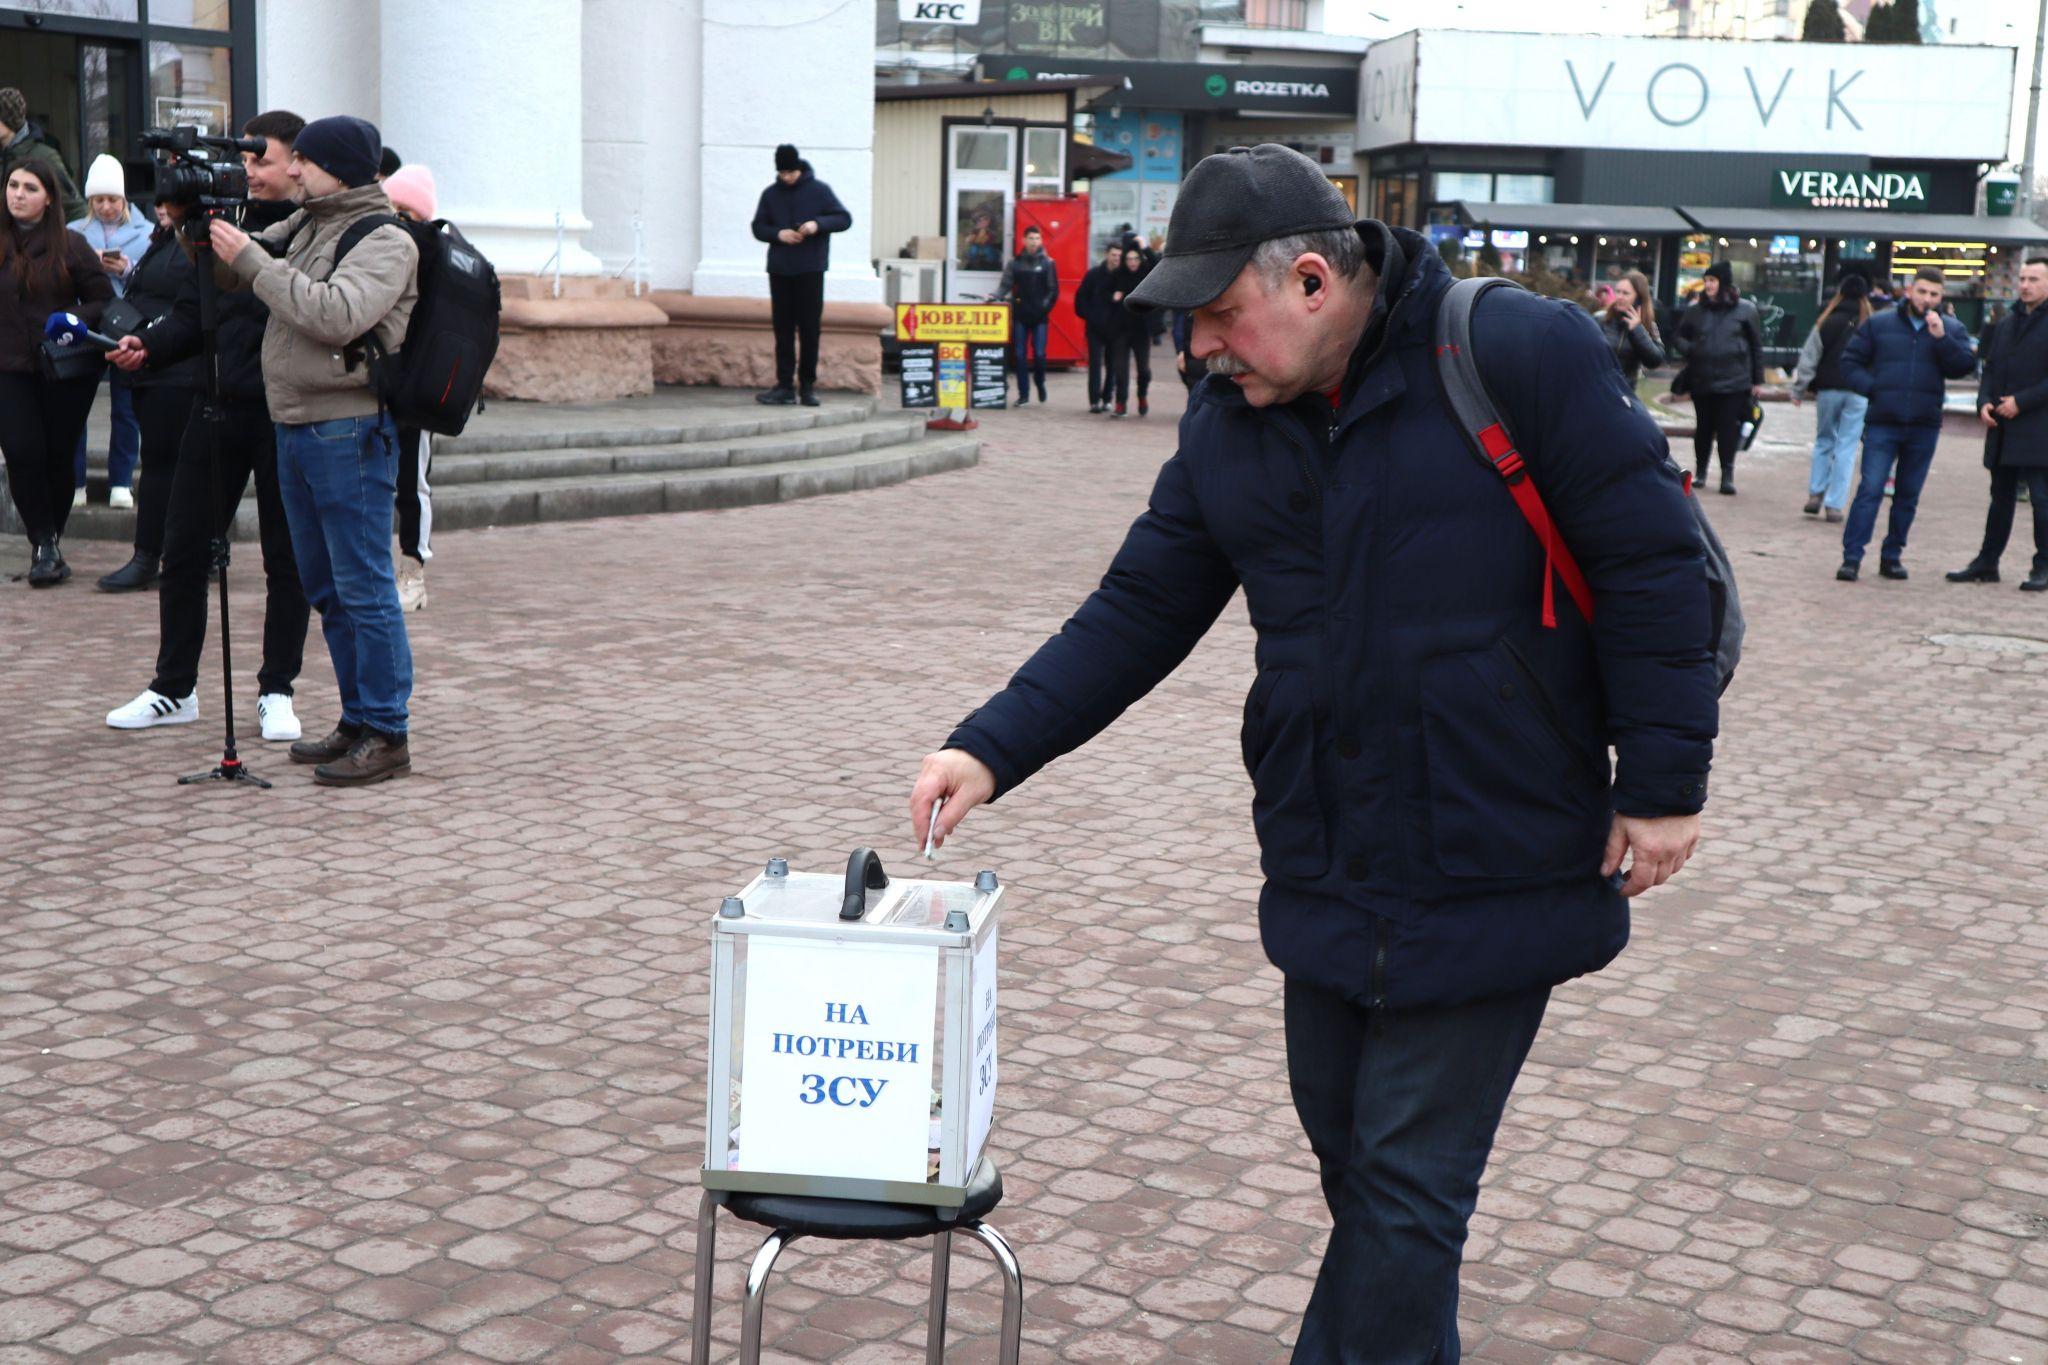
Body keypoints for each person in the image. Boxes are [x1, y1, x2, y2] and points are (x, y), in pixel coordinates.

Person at [906, 144, 1716, 1364]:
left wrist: (1659, 789)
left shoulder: (1515, 354)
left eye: (1220, 317)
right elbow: (1136, 609)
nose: (1199, 351)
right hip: (1326, 850)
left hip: (1498, 845)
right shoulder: (1231, 426)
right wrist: (990, 747)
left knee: (1403, 1190)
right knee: (1363, 1177)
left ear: (1309, 282)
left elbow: (1653, 568)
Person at [205, 114, 418, 784]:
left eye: (305, 161)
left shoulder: (385, 237)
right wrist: (199, 224)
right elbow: (238, 274)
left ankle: (387, 731)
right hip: (297, 424)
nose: (291, 170)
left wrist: (250, 258)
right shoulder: (310, 221)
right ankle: (357, 719)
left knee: (364, 586)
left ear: (339, 168)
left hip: (348, 429)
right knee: (327, 586)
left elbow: (334, 313)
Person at [104, 110, 311, 742]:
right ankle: (174, 688)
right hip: (215, 400)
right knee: (184, 546)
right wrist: (148, 343)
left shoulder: (311, 229)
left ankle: (277, 690)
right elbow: (193, 313)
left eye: (261, 161)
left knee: (286, 559)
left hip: (285, 413)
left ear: (296, 164)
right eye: (244, 161)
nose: (249, 172)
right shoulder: (226, 222)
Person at [1, 159, 112, 585]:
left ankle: (52, 538)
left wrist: (67, 318)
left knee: (56, 455)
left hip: (63, 370)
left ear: (48, 198)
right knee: (22, 452)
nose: (18, 194)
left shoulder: (72, 245)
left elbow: (102, 300)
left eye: (30, 188)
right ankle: (42, 542)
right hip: (8, 368)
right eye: (13, 185)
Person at [1833, 266, 1977, 583]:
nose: (1927, 299)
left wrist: (1941, 338)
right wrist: (1874, 389)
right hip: (1884, 421)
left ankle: (1892, 556)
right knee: (1870, 489)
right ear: (1909, 291)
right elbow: (1850, 361)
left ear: (1941, 298)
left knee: (1908, 494)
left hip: (1923, 424)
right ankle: (1852, 557)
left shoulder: (1950, 328)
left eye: (1934, 294)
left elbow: (1963, 366)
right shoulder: (1880, 322)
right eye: (1922, 291)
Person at [93, 193, 199, 593]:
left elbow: (187, 308)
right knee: (159, 464)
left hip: (179, 370)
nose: (162, 208)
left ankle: (157, 555)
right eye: (160, 201)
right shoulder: (163, 241)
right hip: (152, 367)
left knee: (166, 466)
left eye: (172, 201)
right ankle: (154, 554)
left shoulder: (195, 242)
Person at [1948, 256, 2048, 593]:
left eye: (2034, 279)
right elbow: (1989, 368)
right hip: (2003, 428)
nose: (2025, 285)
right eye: (2022, 278)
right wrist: (1984, 401)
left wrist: (2023, 401)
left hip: (2038, 427)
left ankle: (2043, 566)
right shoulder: (2006, 323)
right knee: (2000, 498)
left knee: (2041, 500)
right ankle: (1987, 562)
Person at [67, 154, 151, 510]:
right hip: (87, 326)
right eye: (98, 200)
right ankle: (75, 482)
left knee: (126, 407)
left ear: (124, 199)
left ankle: (121, 481)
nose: (105, 207)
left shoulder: (147, 233)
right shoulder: (73, 233)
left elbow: (152, 282)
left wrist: (126, 268)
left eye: (112, 199)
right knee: (75, 408)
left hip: (126, 326)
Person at [750, 143, 851, 408]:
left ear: (799, 167)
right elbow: (758, 227)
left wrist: (817, 224)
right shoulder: (770, 194)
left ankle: (807, 387)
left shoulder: (820, 191)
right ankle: (784, 386)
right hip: (780, 270)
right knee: (782, 330)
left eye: (791, 172)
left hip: (811, 269)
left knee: (809, 329)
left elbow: (843, 218)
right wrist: (778, 234)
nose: (787, 177)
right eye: (783, 173)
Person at [383, 163, 438, 611]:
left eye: (408, 211)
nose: (399, 217)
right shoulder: (378, 249)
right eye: (392, 206)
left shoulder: (432, 257)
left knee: (411, 482)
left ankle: (413, 571)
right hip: (379, 380)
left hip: (416, 387)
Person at [1671, 261, 1762, 495]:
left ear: (1723, 283)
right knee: (1703, 427)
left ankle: (1727, 475)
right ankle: (1701, 472)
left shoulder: (1745, 310)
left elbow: (1755, 346)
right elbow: (1678, 336)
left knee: (1727, 429)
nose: (1708, 285)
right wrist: (1691, 349)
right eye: (1706, 280)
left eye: (1712, 280)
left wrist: (1757, 380)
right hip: (1702, 378)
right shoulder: (1695, 310)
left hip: (1734, 380)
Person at [1789, 274, 1871, 524]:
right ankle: (1835, 505)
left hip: (1828, 389)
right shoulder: (1870, 325)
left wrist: (1799, 389)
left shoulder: (1826, 320)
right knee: (1846, 447)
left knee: (1824, 440)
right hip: (1858, 391)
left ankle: (1815, 493)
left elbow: (1809, 358)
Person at [0, 87, 83, 224]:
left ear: (10, 121)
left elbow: (74, 207)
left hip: (38, 240)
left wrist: (71, 242)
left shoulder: (44, 156)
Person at [998, 225, 1058, 406]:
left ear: (1041, 241)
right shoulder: (1015, 263)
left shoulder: (1048, 263)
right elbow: (1005, 285)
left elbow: (1053, 290)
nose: (1034, 242)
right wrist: (994, 296)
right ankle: (1023, 394)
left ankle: (1040, 382)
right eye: (1030, 238)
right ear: (1024, 240)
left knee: (1039, 355)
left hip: (1039, 317)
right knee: (1020, 355)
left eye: (1037, 238)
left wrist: (1044, 307)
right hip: (1020, 315)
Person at [1074, 241, 1122, 414]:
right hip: (1095, 328)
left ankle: (1107, 398)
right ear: (1107, 255)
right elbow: (1080, 298)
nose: (1116, 258)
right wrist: (1090, 316)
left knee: (1112, 365)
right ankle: (1094, 400)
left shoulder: (1122, 277)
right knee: (1094, 364)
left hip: (1115, 329)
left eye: (1119, 256)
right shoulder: (1093, 275)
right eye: (1113, 255)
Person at [1104, 244, 1151, 417]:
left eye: (1135, 259)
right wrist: (1113, 297)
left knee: (1143, 369)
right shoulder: (1117, 275)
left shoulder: (1146, 275)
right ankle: (1120, 403)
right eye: (1129, 259)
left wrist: (1145, 248)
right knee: (1120, 369)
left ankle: (1142, 395)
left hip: (1141, 330)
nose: (1132, 262)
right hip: (1121, 329)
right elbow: (1104, 295)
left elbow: (1156, 262)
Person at [1597, 269, 1663, 389]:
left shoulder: (1647, 325)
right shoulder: (1601, 319)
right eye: (1618, 292)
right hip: (1598, 389)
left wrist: (1637, 330)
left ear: (1638, 298)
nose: (1620, 297)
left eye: (1626, 293)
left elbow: (1655, 360)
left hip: (1625, 392)